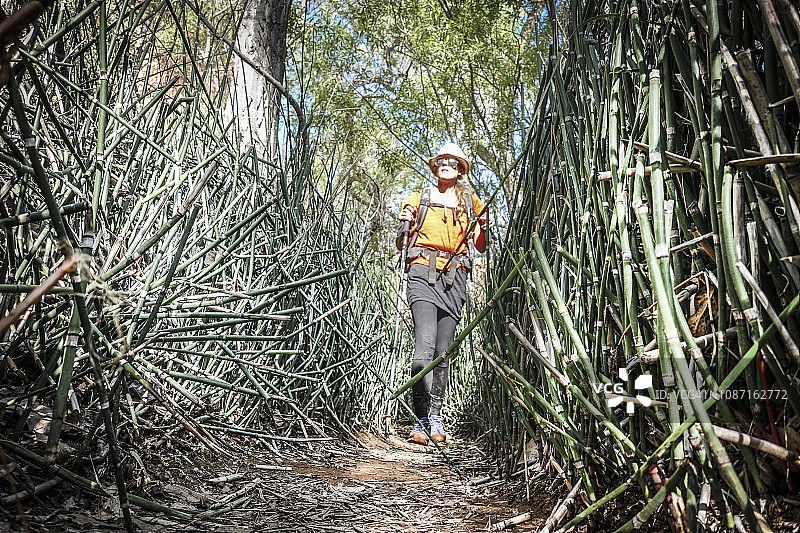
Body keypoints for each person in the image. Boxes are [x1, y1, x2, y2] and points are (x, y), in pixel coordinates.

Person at [396, 143, 489, 445]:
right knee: (423, 348)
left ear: (460, 168)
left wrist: (484, 226)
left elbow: (481, 245)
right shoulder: (419, 196)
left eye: (452, 161)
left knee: (443, 352)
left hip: (455, 279)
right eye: (441, 160)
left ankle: (436, 418)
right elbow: (400, 243)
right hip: (422, 272)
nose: (446, 164)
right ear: (436, 166)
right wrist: (404, 224)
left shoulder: (470, 202)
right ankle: (420, 419)